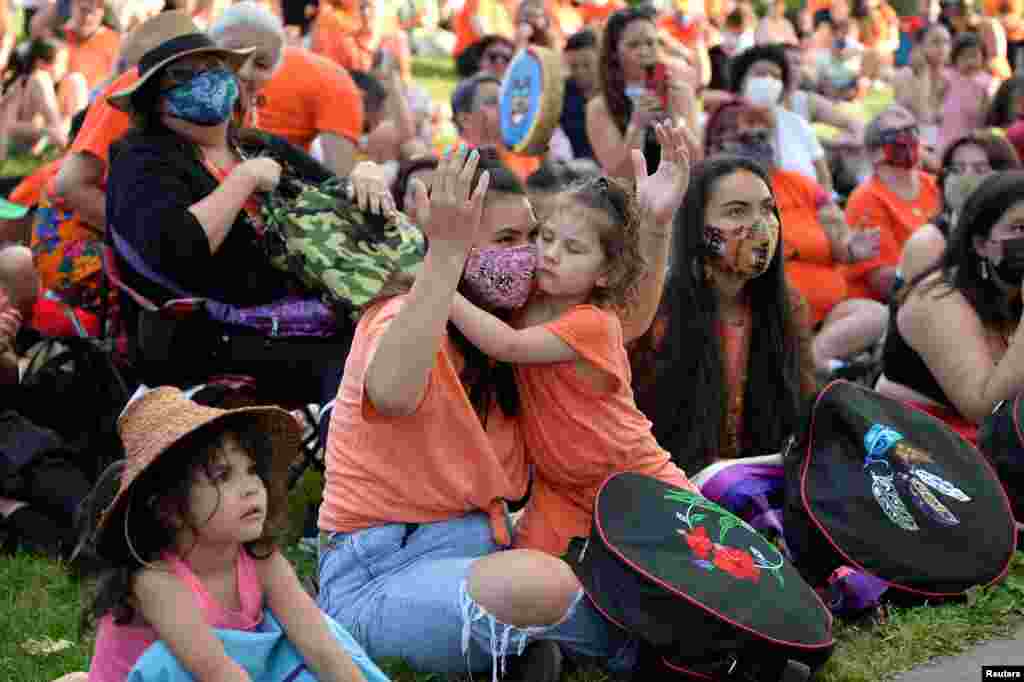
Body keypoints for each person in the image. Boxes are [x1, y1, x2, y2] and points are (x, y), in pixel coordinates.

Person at [318, 122, 694, 679]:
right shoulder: (403, 315)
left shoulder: (511, 321)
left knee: (544, 578)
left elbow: (622, 322)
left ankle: (537, 642)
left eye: (532, 236)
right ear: (454, 243)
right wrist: (442, 255)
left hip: (483, 555)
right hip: (380, 574)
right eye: (505, 241)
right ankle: (666, 653)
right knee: (542, 583)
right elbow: (393, 395)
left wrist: (656, 226)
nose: (530, 257)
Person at [446, 125, 698, 558]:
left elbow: (506, 346)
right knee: (536, 579)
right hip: (560, 489)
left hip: (631, 474)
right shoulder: (529, 295)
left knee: (706, 563)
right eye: (546, 237)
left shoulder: (592, 323)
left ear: (605, 274)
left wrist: (437, 282)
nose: (550, 254)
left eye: (574, 249)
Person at [103, 21, 383, 404]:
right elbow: (178, 250)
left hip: (307, 315)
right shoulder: (142, 160)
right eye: (185, 74)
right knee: (361, 360)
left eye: (215, 67)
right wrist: (243, 179)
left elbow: (335, 190)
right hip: (207, 337)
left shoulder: (257, 144)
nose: (208, 79)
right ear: (155, 100)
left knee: (389, 333)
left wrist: (365, 174)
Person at [77, 386, 383, 681]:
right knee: (169, 662)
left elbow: (320, 645)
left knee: (320, 631)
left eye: (251, 471)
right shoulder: (156, 581)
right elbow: (217, 673)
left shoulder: (261, 560)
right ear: (168, 509)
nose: (251, 487)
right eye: (223, 476)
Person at [629, 154, 816, 480]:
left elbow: (800, 413)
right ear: (697, 227)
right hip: (671, 487)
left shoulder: (788, 305)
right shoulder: (656, 310)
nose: (760, 224)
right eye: (736, 211)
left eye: (767, 208)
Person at [704, 99, 886, 377]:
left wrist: (851, 250)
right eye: (744, 137)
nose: (757, 144)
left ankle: (809, 363)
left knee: (877, 315)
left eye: (762, 136)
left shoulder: (799, 183)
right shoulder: (711, 191)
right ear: (718, 144)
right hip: (764, 314)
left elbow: (837, 240)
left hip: (828, 314)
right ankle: (812, 368)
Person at [876, 172, 1024, 443]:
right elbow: (983, 409)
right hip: (924, 444)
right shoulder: (938, 298)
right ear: (981, 245)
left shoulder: (1012, 292)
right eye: (1019, 229)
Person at [210, 0, 365, 177]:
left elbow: (338, 184)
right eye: (236, 54)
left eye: (261, 64)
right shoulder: (182, 110)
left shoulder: (332, 80)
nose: (244, 72)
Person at [586, 4, 699, 180]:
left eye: (650, 42)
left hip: (680, 198)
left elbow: (697, 160)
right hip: (630, 202)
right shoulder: (600, 106)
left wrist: (674, 118)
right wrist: (637, 125)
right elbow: (622, 175)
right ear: (614, 52)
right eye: (633, 45)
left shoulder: (679, 92)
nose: (644, 51)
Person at [844, 105, 941, 302]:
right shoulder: (866, 199)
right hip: (892, 305)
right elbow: (884, 281)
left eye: (912, 131)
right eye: (896, 134)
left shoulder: (935, 185)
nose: (907, 139)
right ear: (875, 152)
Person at [900, 130, 1019, 284]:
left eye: (980, 170)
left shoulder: (1015, 231)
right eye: (957, 169)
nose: (966, 179)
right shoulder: (928, 244)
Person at [721, 44, 833, 192]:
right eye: (760, 74)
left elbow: (824, 178)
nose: (768, 81)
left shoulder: (798, 124)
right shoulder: (722, 124)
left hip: (804, 209)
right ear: (742, 80)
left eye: (775, 76)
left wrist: (826, 205)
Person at [451, 72, 542, 181]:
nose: (505, 106)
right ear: (465, 119)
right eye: (494, 101)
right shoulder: (452, 164)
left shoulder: (524, 155)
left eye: (506, 100)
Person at [892, 22, 952, 166]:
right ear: (920, 46)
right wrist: (923, 74)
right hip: (913, 144)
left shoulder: (951, 78)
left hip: (943, 146)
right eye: (936, 42)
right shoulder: (905, 76)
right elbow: (923, 115)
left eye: (946, 42)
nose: (942, 48)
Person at [938, 32, 996, 154]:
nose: (970, 62)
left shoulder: (986, 82)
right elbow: (937, 96)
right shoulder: (949, 77)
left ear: (983, 58)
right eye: (964, 57)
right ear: (954, 60)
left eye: (974, 56)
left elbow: (988, 110)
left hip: (972, 134)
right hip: (948, 133)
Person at [62, 0, 121, 91]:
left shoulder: (113, 41)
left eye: (92, 12)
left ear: (102, 12)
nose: (87, 17)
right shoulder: (59, 37)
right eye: (83, 10)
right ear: (73, 6)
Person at [560, 28, 599, 161]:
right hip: (576, 171)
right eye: (573, 66)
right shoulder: (562, 94)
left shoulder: (616, 92)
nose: (580, 72)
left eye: (587, 65)